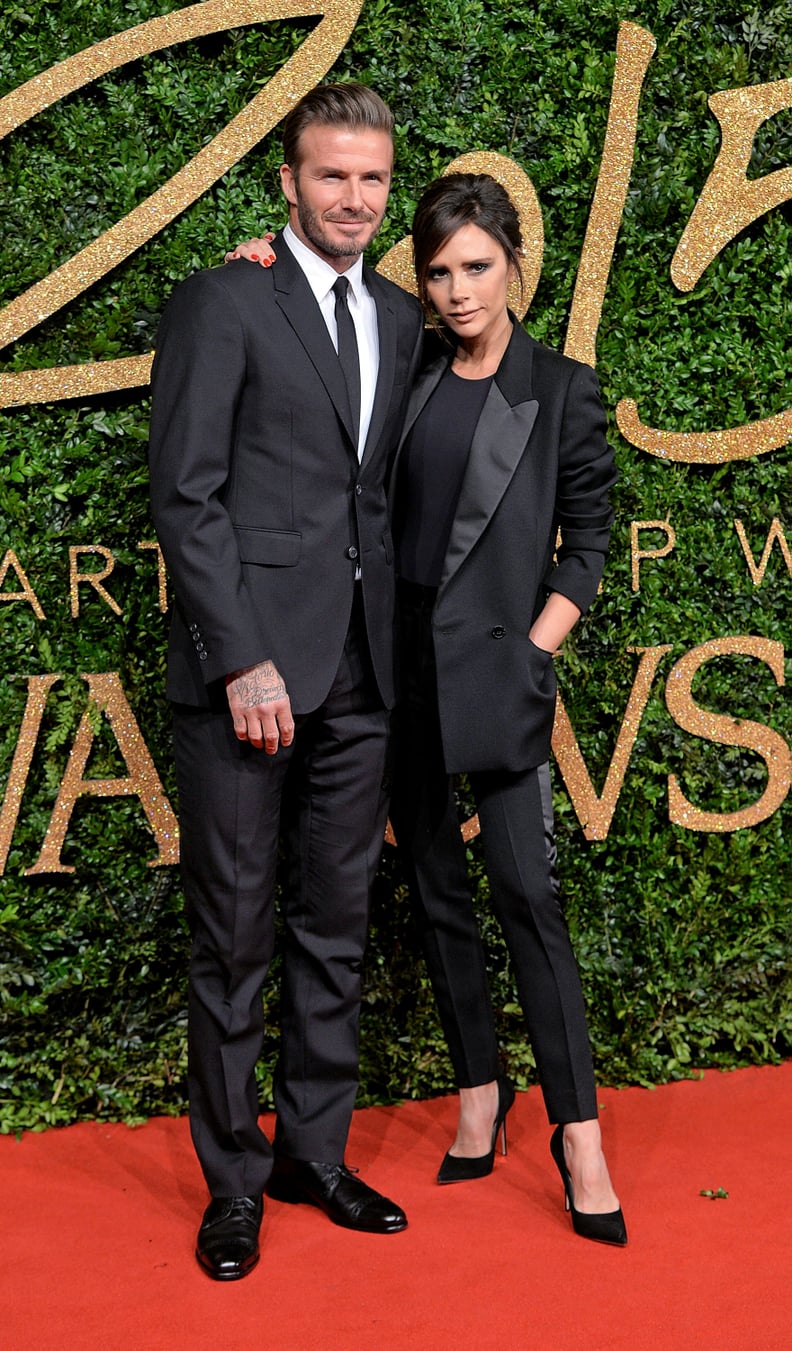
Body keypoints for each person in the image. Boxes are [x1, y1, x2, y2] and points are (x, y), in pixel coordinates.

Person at [233, 171, 626, 1245]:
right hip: (394, 673)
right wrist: (260, 265)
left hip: (500, 674)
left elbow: (586, 546)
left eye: (477, 266)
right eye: (440, 270)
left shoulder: (563, 390)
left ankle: (579, 1131)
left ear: (513, 265)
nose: (457, 290)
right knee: (438, 893)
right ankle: (478, 1093)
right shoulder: (404, 369)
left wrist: (536, 650)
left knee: (526, 898)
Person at [148, 83, 424, 1281]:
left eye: (371, 178)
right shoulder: (225, 299)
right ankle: (234, 1182)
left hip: (364, 675)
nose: (354, 199)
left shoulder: (407, 317)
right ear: (287, 183)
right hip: (250, 681)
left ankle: (315, 1150)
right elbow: (186, 495)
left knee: (337, 927)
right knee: (233, 935)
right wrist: (241, 655)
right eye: (332, 178)